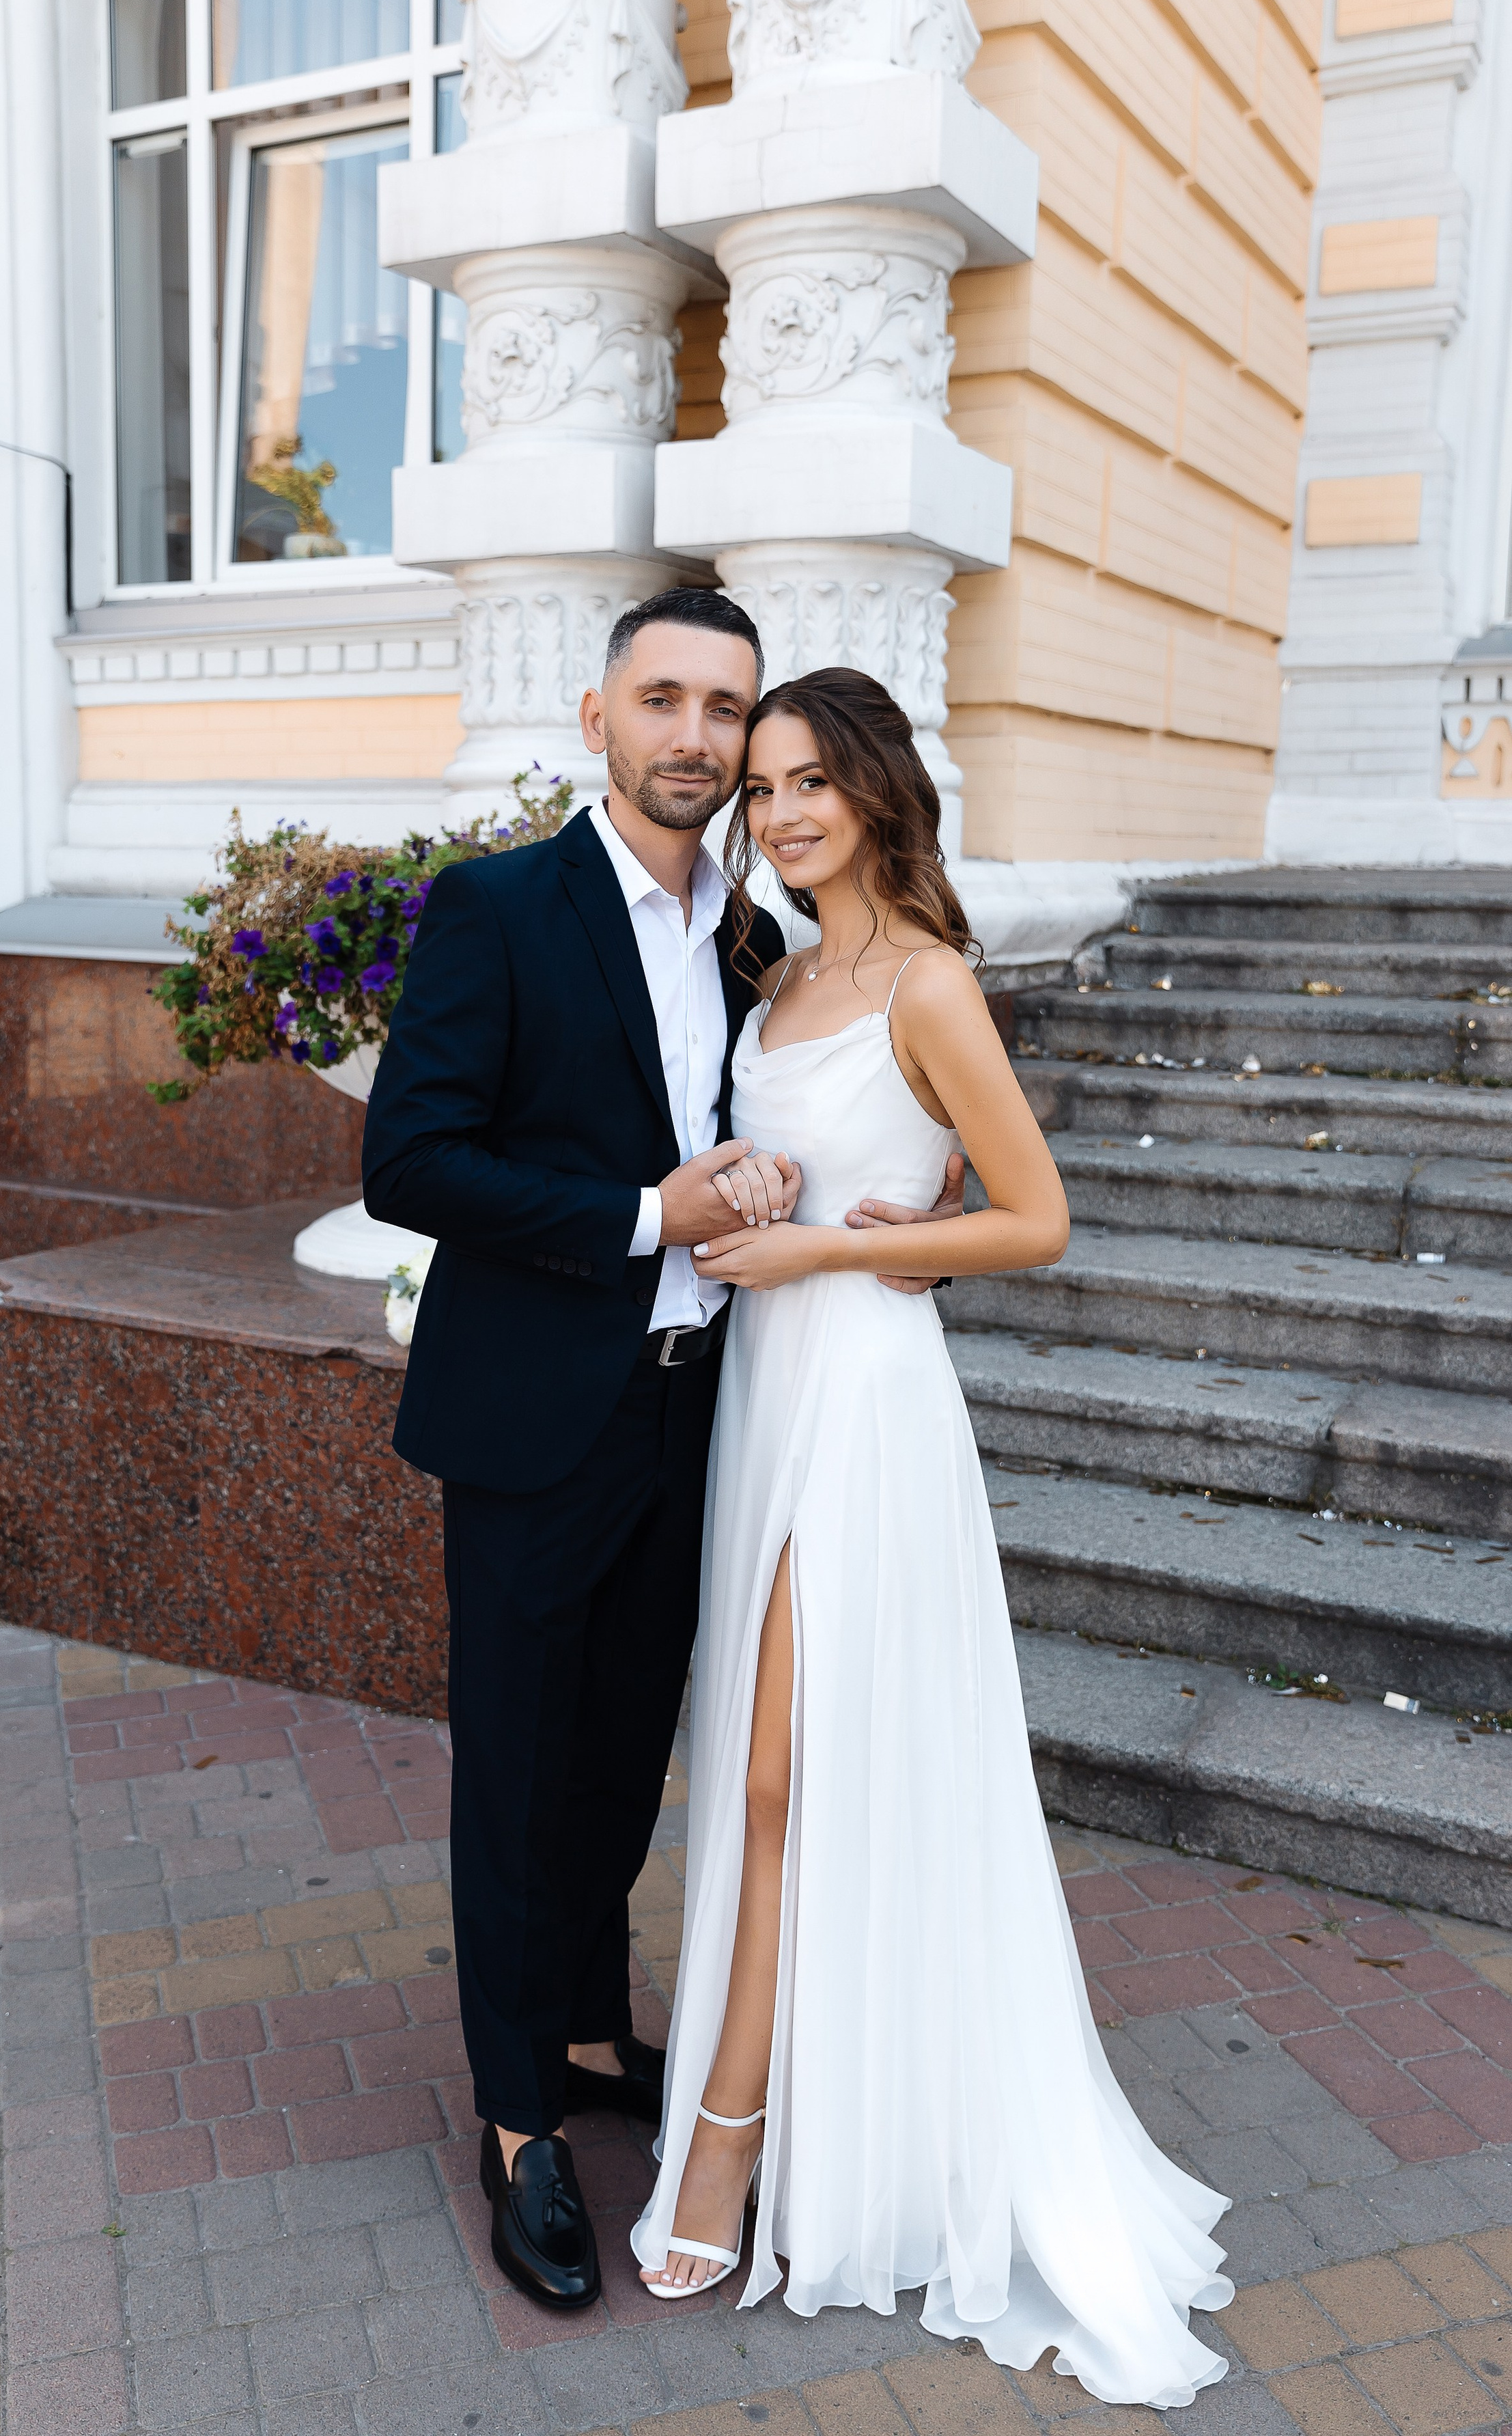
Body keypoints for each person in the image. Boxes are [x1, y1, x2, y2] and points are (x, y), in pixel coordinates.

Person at [630, 668, 1235, 2410]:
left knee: (779, 1778)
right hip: (762, 1399)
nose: (780, 814)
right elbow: (823, 1162)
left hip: (864, 1406)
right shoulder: (778, 976)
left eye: (810, 782)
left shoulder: (928, 981)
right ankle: (808, 2102)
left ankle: (729, 2139)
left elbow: (1035, 1218)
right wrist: (759, 1187)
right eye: (761, 790)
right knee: (764, 1773)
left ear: (878, 789)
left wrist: (837, 1247)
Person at [361, 592, 960, 2313]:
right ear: (597, 717)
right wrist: (644, 1213)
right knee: (515, 1768)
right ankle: (514, 2122)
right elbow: (411, 1161)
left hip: (711, 1408)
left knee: (625, 1749)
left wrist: (903, 1222)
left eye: (725, 710)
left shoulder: (758, 937)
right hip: (535, 1416)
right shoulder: (497, 908)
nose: (696, 736)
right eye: (663, 699)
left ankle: (575, 2023)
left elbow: (844, 1108)